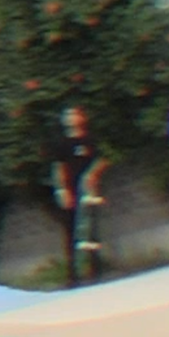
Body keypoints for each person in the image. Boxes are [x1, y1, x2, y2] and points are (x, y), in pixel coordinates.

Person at [49, 106, 110, 286]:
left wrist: (92, 174)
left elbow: (103, 159)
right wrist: (61, 189)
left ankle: (94, 269)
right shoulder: (61, 143)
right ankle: (73, 274)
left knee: (91, 229)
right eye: (67, 115)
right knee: (71, 232)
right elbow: (58, 168)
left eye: (74, 114)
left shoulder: (90, 140)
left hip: (88, 192)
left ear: (82, 118)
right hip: (70, 192)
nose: (71, 118)